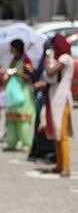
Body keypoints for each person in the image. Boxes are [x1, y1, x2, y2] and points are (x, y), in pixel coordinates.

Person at [43, 34, 74, 177]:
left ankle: (66, 166)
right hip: (56, 98)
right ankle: (59, 164)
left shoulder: (64, 58)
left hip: (62, 99)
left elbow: (51, 72)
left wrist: (47, 60)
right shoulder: (62, 58)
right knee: (56, 131)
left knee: (61, 133)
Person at [3, 39, 35, 152]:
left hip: (23, 91)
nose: (10, 49)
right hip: (13, 91)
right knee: (11, 119)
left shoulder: (26, 60)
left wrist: (19, 74)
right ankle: (11, 141)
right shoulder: (13, 60)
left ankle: (26, 142)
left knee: (23, 119)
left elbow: (30, 77)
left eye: (11, 47)